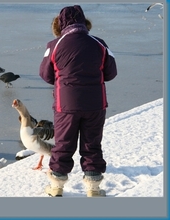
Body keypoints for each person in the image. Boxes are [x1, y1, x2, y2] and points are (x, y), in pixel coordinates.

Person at [39, 5, 117, 197]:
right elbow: (111, 73)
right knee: (92, 144)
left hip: (66, 105)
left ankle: (56, 187)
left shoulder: (54, 45)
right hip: (95, 104)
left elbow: (45, 75)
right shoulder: (100, 44)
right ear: (83, 21)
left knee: (63, 144)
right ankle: (94, 189)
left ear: (61, 23)